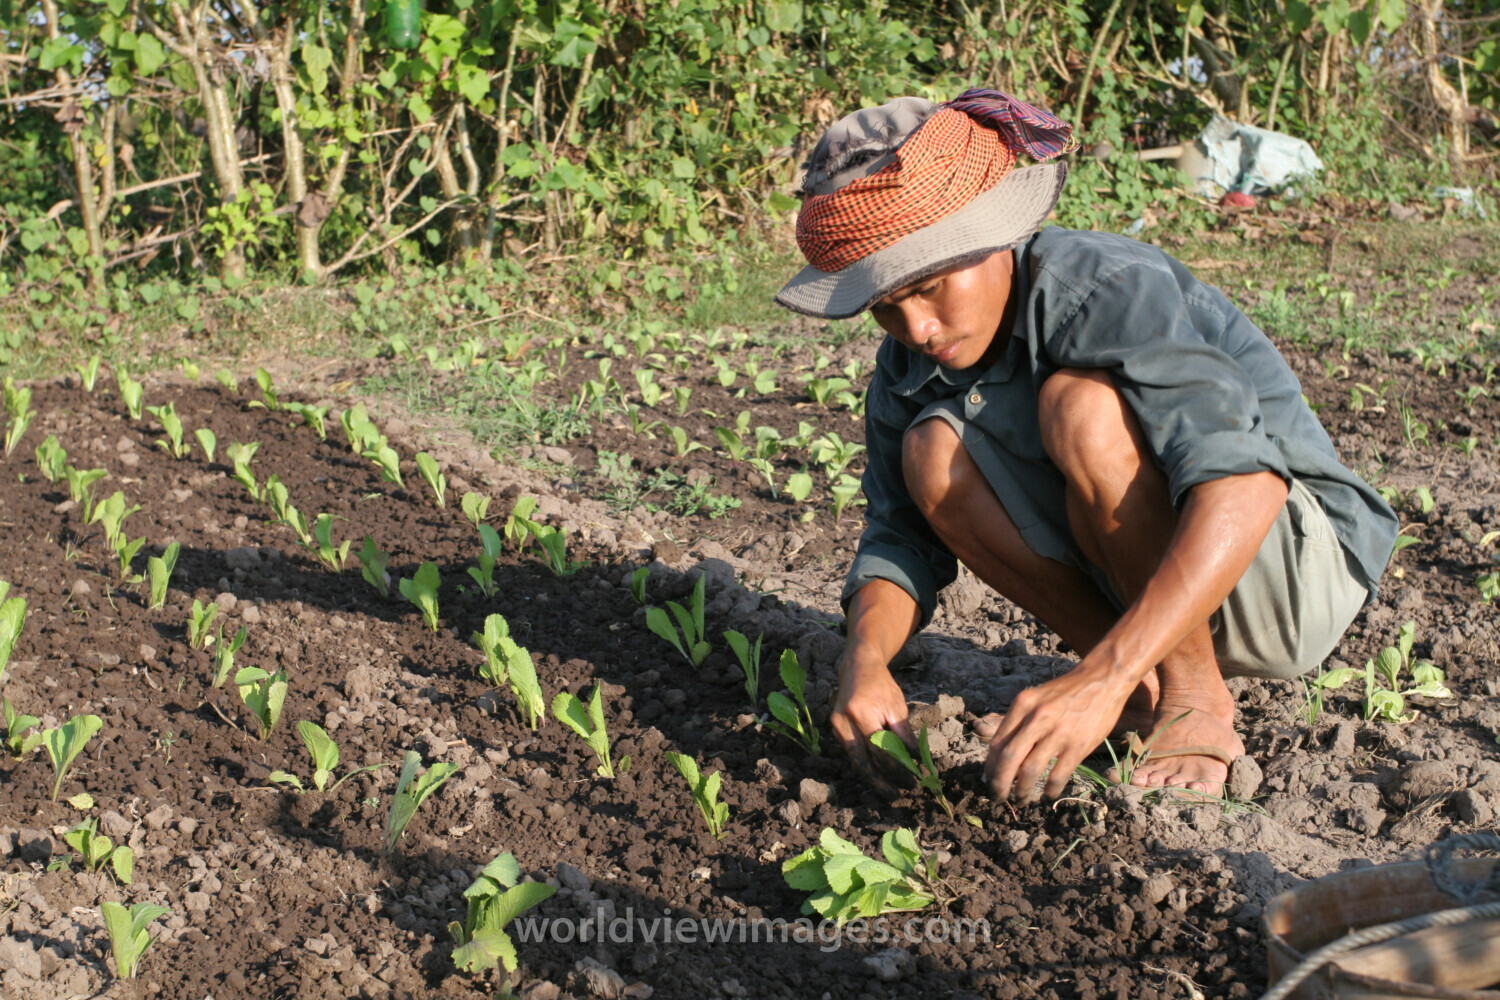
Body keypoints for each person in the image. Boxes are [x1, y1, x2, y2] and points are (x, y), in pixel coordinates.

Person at [774, 90, 1398, 803]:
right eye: (886, 305)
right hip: (1172, 581)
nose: (915, 326)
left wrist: (1097, 673)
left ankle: (1193, 700)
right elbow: (899, 538)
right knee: (930, 452)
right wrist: (865, 661)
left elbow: (1247, 485)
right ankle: (1139, 691)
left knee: (1083, 408)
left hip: (1295, 571)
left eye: (931, 287)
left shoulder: (1103, 287)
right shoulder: (908, 370)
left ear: (992, 235)